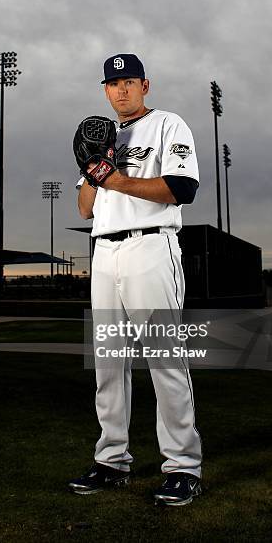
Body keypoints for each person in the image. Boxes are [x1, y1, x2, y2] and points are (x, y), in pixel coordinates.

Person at [68, 53, 203, 506]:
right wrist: (94, 167)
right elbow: (85, 208)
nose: (121, 89)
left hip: (151, 247)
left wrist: (116, 178)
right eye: (113, 83)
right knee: (108, 364)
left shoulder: (168, 124)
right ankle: (111, 461)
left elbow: (181, 189)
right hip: (104, 252)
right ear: (105, 91)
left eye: (129, 81)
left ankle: (183, 466)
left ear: (145, 85)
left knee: (164, 360)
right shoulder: (101, 137)